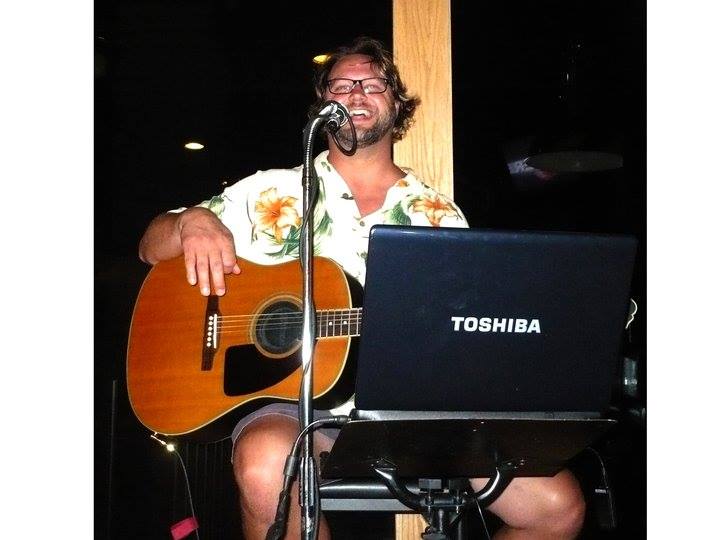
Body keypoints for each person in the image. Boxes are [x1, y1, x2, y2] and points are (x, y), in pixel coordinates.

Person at [139, 36, 586, 540]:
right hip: (290, 406)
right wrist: (190, 223)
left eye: (373, 85)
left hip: (406, 411)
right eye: (342, 85)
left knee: (557, 509)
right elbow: (150, 246)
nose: (356, 93)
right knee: (266, 466)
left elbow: (459, 338)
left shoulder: (437, 215)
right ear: (322, 103)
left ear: (397, 106)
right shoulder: (270, 190)